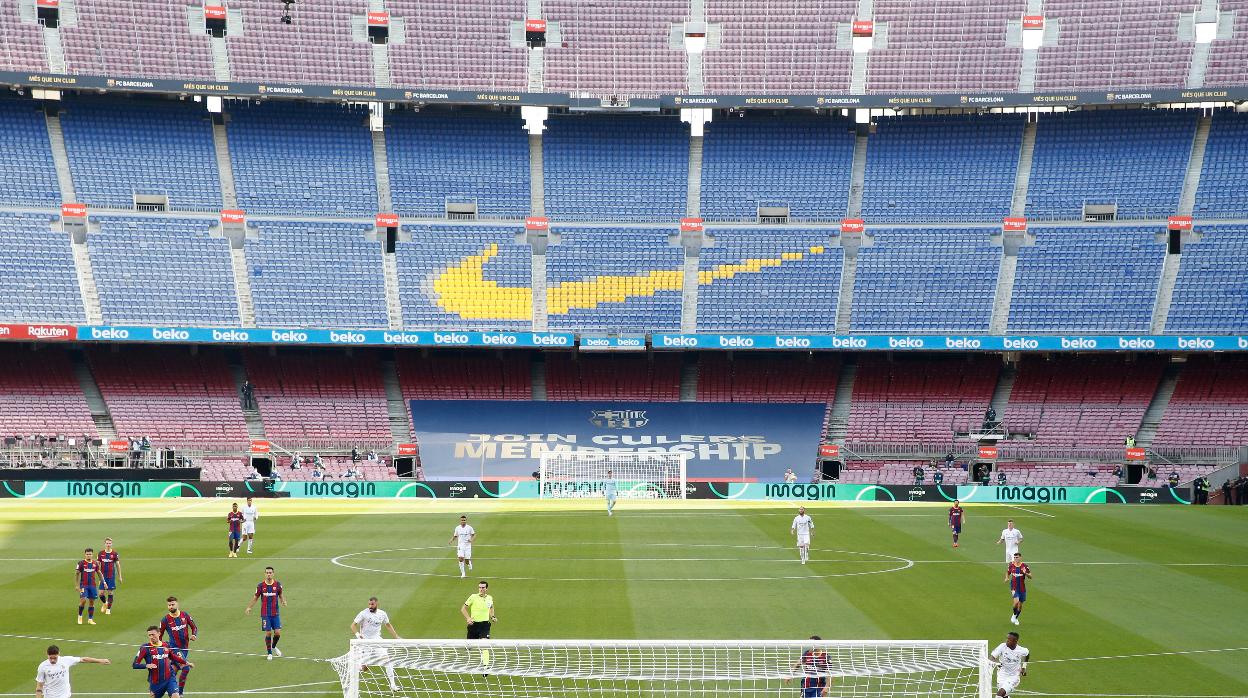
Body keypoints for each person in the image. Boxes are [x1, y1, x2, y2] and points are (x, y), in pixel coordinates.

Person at [352, 596, 402, 691]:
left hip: (377, 640)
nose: (370, 606)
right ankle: (359, 663)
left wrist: (396, 636)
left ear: (377, 604)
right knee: (364, 668)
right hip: (365, 642)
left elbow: (388, 624)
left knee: (387, 661)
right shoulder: (363, 613)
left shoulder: (382, 614)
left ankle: (393, 685)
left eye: (372, 604)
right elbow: (353, 625)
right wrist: (358, 635)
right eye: (369, 604)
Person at [133, 625, 191, 698]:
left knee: (176, 696)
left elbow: (173, 657)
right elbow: (135, 664)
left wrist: (185, 662)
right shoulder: (145, 648)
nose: (151, 637)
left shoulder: (166, 645)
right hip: (156, 682)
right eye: (149, 635)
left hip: (169, 678)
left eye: (153, 634)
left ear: (159, 634)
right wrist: (146, 665)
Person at [244, 566, 287, 660]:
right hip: (265, 614)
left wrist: (283, 601)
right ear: (265, 574)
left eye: (270, 572)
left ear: (273, 574)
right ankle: (269, 653)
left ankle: (273, 646)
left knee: (278, 633)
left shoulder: (278, 585)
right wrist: (249, 607)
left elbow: (280, 594)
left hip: (275, 613)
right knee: (268, 633)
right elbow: (255, 597)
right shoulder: (260, 586)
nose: (269, 574)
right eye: (267, 573)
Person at [36, 645, 110, 698]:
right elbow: (39, 686)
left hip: (65, 696)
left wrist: (99, 660)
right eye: (50, 658)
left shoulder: (66, 660)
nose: (52, 660)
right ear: (47, 654)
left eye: (54, 658)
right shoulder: (43, 666)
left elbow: (83, 659)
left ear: (58, 654)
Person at [159, 596, 197, 697]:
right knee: (185, 668)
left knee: (173, 670)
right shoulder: (165, 620)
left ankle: (164, 690)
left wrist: (194, 635)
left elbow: (194, 627)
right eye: (169, 605)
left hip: (185, 649)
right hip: (174, 648)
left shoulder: (185, 615)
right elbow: (159, 636)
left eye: (172, 604)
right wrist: (162, 647)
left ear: (177, 604)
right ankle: (180, 693)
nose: (171, 606)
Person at [990, 632, 1029, 697]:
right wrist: (995, 663)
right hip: (1001, 675)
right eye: (1007, 639)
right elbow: (992, 657)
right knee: (1004, 696)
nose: (1007, 641)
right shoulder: (1002, 646)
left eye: (1009, 639)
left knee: (999, 695)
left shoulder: (1021, 650)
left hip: (1014, 677)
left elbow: (1027, 654)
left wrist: (1024, 668)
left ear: (1015, 641)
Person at [76, 547, 103, 625]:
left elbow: (99, 572)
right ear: (85, 554)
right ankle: (80, 616)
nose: (88, 555)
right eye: (87, 554)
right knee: (83, 600)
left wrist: (103, 582)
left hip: (92, 585)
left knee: (91, 602)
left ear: (92, 555)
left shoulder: (95, 563)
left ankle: (90, 619)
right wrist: (77, 585)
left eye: (90, 554)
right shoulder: (81, 563)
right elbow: (77, 574)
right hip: (83, 585)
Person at [1005, 552, 1032, 625]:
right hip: (1014, 587)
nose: (1015, 559)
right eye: (1015, 557)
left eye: (1017, 557)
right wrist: (1007, 578)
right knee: (1016, 602)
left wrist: (1025, 573)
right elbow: (1008, 572)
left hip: (1022, 588)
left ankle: (1016, 618)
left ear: (1020, 557)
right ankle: (1014, 615)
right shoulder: (1011, 565)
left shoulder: (1025, 566)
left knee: (1020, 605)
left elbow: (1030, 577)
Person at [98, 537, 122, 615]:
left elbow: (118, 565)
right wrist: (99, 578)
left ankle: (108, 609)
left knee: (110, 592)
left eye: (109, 543)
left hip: (111, 576)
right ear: (104, 544)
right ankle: (105, 603)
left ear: (111, 544)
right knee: (101, 593)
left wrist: (120, 576)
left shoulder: (114, 554)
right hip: (103, 576)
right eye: (107, 543)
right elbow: (98, 566)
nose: (108, 545)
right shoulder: (101, 553)